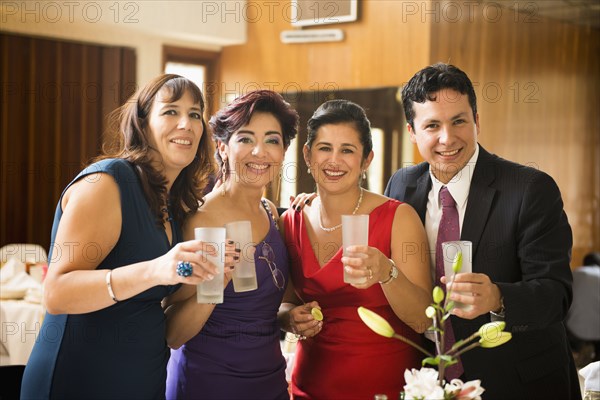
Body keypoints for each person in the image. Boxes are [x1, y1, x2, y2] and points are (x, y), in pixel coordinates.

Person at [20, 74, 224, 399]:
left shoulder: (173, 204)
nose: (186, 123)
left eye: (195, 114)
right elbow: (56, 294)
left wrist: (213, 279)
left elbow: (170, 327)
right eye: (171, 111)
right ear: (143, 124)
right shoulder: (108, 182)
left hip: (143, 380)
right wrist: (156, 269)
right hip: (79, 380)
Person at [384, 63, 581, 400]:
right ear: (412, 132)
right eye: (432, 125)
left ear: (476, 120)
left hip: (520, 382)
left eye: (459, 121)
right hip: (433, 380)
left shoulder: (530, 188)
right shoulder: (401, 185)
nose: (448, 138)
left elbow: (556, 295)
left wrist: (498, 298)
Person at [280, 99, 432, 399]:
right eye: (324, 148)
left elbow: (424, 319)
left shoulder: (397, 217)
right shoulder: (290, 221)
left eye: (347, 150)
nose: (334, 160)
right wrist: (290, 318)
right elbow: (284, 304)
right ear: (308, 155)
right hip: (309, 386)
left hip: (386, 387)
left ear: (366, 160)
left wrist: (387, 272)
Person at [164, 90, 299, 400]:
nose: (260, 152)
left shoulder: (270, 212)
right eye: (246, 139)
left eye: (272, 140)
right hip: (209, 382)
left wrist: (290, 318)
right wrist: (216, 282)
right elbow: (173, 333)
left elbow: (274, 306)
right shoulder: (199, 220)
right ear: (223, 147)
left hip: (269, 380)